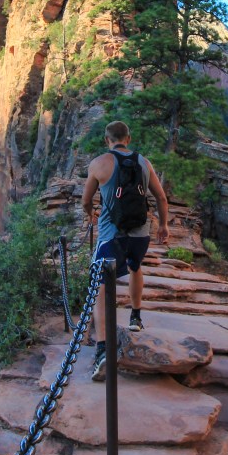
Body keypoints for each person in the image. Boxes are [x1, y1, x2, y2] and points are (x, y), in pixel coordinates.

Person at [81, 120, 169, 382]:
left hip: (112, 235)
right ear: (128, 139)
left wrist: (91, 213)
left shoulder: (99, 163)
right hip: (140, 234)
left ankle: (102, 349)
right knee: (134, 266)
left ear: (107, 140)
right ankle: (136, 317)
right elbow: (161, 197)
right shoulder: (144, 162)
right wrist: (164, 225)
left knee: (100, 284)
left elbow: (86, 200)